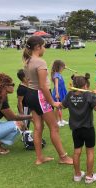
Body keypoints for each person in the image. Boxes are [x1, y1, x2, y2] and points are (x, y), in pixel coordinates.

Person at [23, 36, 73, 165]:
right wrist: (52, 102)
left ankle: (40, 158)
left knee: (38, 127)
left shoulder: (27, 61)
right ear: (38, 47)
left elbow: (29, 82)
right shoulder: (40, 62)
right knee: (54, 127)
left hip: (30, 94)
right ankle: (63, 157)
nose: (44, 48)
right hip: (40, 96)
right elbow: (43, 86)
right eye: (43, 46)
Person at [62, 73, 96, 184]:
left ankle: (77, 175)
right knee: (90, 152)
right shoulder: (89, 95)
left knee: (76, 152)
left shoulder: (70, 95)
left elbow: (62, 105)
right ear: (85, 86)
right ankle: (89, 176)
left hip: (76, 129)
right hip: (88, 129)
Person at [51, 60, 68, 127]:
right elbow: (56, 85)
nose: (63, 69)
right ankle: (57, 121)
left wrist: (64, 66)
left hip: (62, 91)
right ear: (58, 67)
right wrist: (57, 93)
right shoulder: (56, 75)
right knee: (57, 107)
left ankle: (61, 120)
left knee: (60, 106)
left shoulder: (58, 73)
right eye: (62, 67)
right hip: (58, 92)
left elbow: (63, 67)